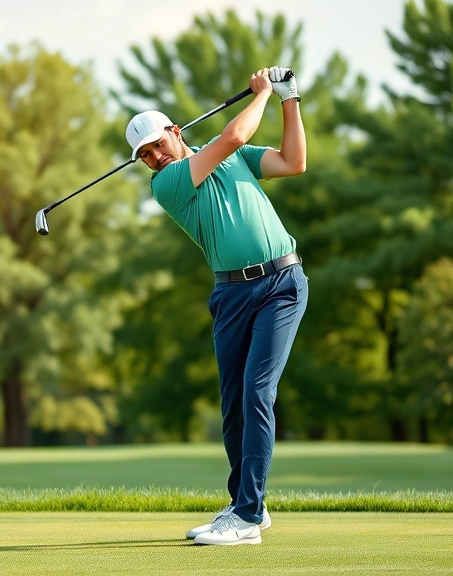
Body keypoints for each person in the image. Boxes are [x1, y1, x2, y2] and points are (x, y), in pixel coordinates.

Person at [125, 67, 308, 546]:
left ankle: (247, 517)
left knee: (256, 392)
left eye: (157, 145)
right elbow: (232, 134)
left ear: (175, 132)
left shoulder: (235, 158)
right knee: (233, 405)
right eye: (144, 155)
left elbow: (293, 162)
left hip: (281, 284)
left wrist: (289, 99)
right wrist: (263, 93)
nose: (153, 157)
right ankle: (250, 505)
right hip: (230, 295)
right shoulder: (169, 185)